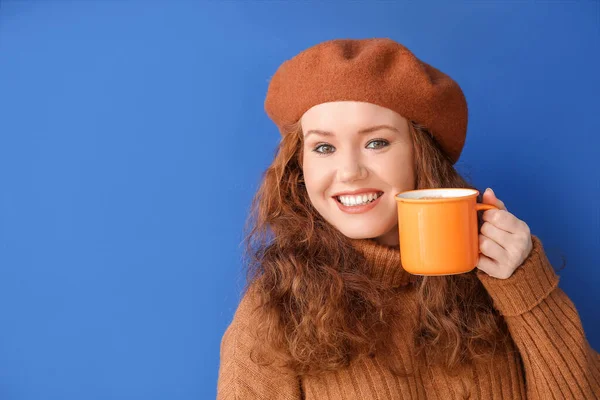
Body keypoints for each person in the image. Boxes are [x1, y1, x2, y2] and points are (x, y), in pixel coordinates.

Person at [216, 38, 600, 399]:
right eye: (324, 147)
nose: (349, 171)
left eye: (376, 142)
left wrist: (527, 288)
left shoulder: (502, 280)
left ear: (420, 154)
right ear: (301, 167)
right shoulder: (275, 309)